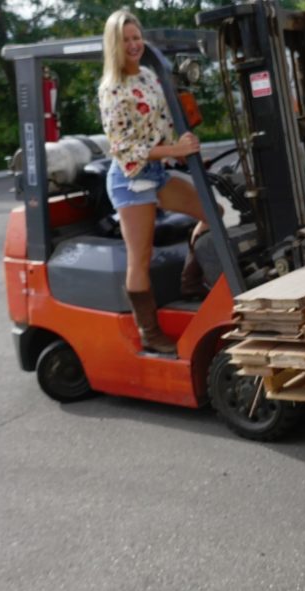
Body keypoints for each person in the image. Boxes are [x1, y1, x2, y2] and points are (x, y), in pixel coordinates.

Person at [98, 8, 210, 354]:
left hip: (157, 172)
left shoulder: (148, 73)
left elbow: (159, 123)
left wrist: (178, 150)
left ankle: (191, 283)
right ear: (114, 44)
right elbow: (123, 148)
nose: (133, 44)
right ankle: (149, 332)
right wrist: (172, 148)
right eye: (126, 39)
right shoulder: (112, 88)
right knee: (140, 259)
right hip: (131, 180)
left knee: (213, 212)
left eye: (136, 37)